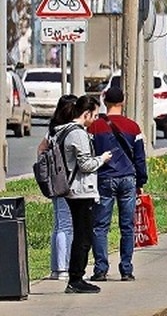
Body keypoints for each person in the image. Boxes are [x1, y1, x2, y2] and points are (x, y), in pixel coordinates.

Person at [89, 86, 148, 282]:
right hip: (128, 179)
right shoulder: (133, 127)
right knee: (127, 226)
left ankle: (100, 269)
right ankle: (126, 269)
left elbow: (90, 154)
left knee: (100, 226)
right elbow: (139, 158)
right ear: (123, 102)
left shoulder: (95, 127)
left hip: (104, 179)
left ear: (105, 102)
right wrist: (141, 181)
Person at [60, 95, 113, 294]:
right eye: (95, 115)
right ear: (86, 113)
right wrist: (102, 159)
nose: (96, 119)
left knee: (82, 235)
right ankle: (76, 279)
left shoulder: (64, 130)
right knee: (83, 237)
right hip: (80, 191)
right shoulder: (78, 133)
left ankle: (76, 277)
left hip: (74, 189)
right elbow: (85, 164)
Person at [36, 94, 78, 281]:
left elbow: (40, 151)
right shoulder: (69, 131)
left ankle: (56, 268)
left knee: (59, 224)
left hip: (54, 180)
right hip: (66, 182)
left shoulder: (52, 130)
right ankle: (62, 267)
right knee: (66, 225)